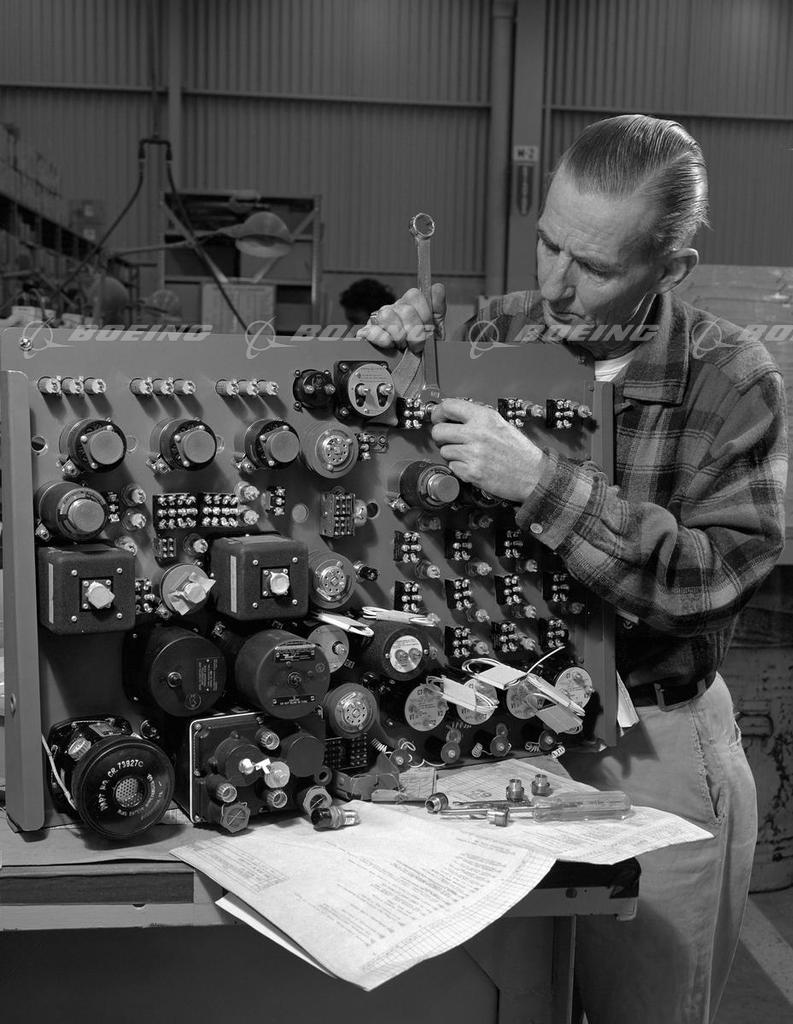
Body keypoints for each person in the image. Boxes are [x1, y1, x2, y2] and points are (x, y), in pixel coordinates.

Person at [357, 114, 788, 1024]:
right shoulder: (495, 332)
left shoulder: (729, 379)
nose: (554, 284)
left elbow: (710, 583)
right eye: (548, 243)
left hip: (650, 741)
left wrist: (541, 483)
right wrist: (392, 355)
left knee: (643, 1007)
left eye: (592, 266)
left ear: (669, 269)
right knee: (495, 995)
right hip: (493, 730)